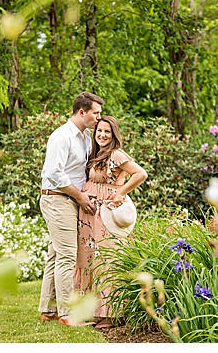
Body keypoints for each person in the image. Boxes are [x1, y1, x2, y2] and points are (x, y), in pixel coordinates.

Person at [75, 115, 146, 330]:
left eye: (107, 131)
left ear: (113, 134)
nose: (102, 135)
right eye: (99, 131)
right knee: (87, 258)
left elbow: (140, 173)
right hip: (89, 214)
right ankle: (89, 310)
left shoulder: (116, 154)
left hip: (105, 213)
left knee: (107, 258)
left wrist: (121, 192)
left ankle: (111, 313)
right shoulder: (96, 154)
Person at [38, 91, 103, 326]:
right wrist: (81, 197)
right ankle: (67, 314)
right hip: (57, 199)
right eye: (96, 113)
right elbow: (53, 174)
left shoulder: (85, 137)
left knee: (55, 254)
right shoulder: (62, 136)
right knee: (67, 255)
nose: (99, 117)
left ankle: (48, 309)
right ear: (82, 112)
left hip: (69, 200)